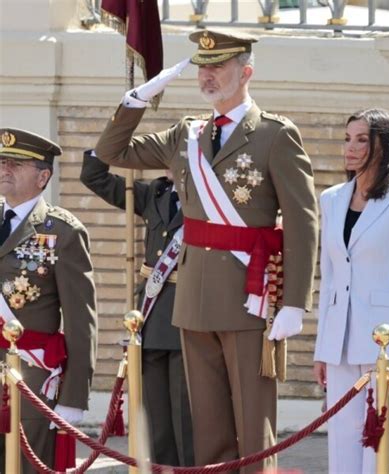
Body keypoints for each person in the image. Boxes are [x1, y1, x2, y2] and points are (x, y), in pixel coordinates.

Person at [94, 29, 318, 472]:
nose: (207, 76)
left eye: (219, 67)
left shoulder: (274, 135)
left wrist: (295, 301)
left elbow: (302, 218)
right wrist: (137, 98)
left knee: (254, 427)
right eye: (202, 67)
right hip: (193, 298)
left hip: (247, 294)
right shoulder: (187, 134)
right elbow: (110, 150)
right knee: (208, 429)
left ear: (246, 72)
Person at [313, 109, 389, 473]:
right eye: (348, 138)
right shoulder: (331, 199)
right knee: (343, 441)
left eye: (362, 139)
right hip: (339, 342)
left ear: (385, 146)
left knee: (382, 445)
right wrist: (321, 348)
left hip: (386, 345)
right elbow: (328, 279)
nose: (350, 147)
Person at [80, 150, 194, 466]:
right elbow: (94, 177)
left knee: (188, 417)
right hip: (151, 316)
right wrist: (112, 144)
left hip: (190, 316)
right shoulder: (150, 193)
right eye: (172, 150)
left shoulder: (210, 198)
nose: (176, 159)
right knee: (155, 417)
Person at [0, 128, 97, 473]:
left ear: (43, 176)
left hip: (31, 377)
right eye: (2, 161)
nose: (5, 168)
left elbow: (80, 320)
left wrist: (73, 398)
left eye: (16, 163)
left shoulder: (63, 231)